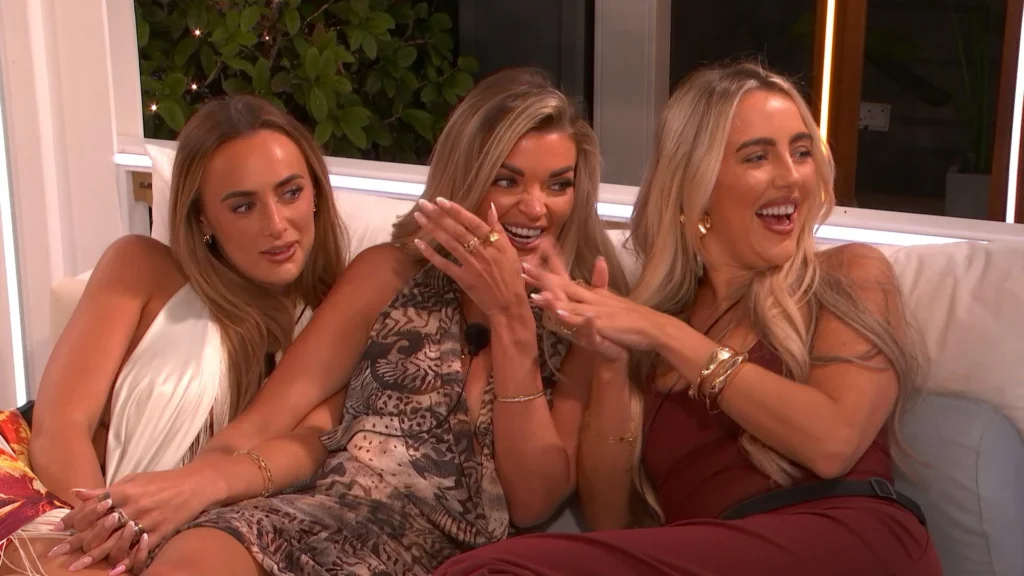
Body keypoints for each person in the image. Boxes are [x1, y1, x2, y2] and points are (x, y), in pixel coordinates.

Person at [54, 67, 629, 576]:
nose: (535, 206)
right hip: (309, 515)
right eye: (508, 180)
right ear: (467, 178)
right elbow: (269, 422)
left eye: (558, 184)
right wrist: (193, 488)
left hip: (444, 555)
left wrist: (512, 320)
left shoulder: (576, 319)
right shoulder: (389, 273)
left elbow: (533, 502)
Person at [434, 62, 943, 575]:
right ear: (696, 183)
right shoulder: (646, 325)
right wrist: (610, 363)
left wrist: (664, 332)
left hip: (850, 542)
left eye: (802, 152)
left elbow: (832, 444)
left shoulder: (849, 273)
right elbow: (611, 522)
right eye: (758, 156)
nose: (791, 176)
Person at [0, 94, 348, 574]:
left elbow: (314, 445)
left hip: (209, 540)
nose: (276, 224)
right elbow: (61, 426)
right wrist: (107, 526)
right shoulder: (140, 267)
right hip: (58, 497)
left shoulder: (340, 319)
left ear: (316, 193)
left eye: (290, 193)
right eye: (243, 206)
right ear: (203, 218)